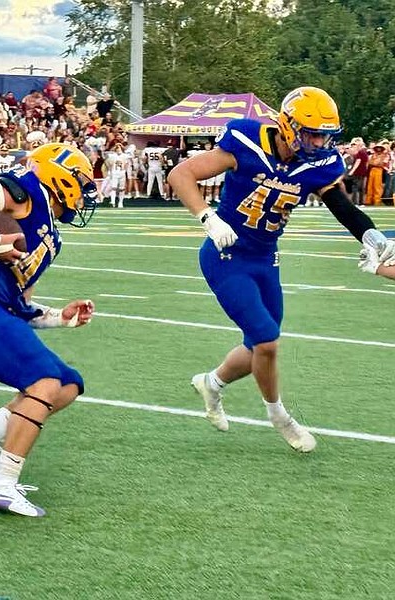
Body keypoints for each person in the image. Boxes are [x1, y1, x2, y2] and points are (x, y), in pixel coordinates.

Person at [168, 86, 395, 453]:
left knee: (259, 344)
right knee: (267, 341)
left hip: (265, 258)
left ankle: (211, 383)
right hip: (226, 256)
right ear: (288, 125)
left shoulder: (318, 163)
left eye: (325, 135)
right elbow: (182, 175)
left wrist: (372, 237)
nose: (320, 142)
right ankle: (279, 417)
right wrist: (207, 218)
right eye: (312, 132)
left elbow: (341, 205)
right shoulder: (247, 140)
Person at [0, 143, 98, 517]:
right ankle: (2, 484)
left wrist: (60, 317)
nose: (85, 192)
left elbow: (20, 305)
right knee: (43, 381)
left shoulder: (52, 239)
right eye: (81, 181)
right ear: (58, 174)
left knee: (67, 384)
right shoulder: (24, 191)